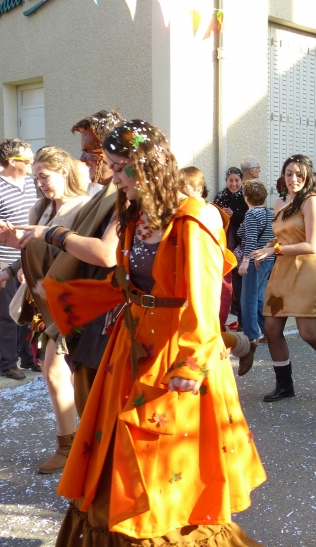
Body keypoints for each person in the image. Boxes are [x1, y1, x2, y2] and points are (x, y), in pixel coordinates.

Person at [42, 120, 265, 545]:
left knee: (161, 456)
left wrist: (192, 361)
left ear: (149, 166)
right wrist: (64, 301)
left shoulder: (194, 217)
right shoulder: (136, 214)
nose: (113, 177)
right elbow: (126, 283)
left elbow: (202, 295)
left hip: (176, 350)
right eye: (110, 166)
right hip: (130, 345)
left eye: (120, 167)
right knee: (114, 452)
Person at [0, 146, 90, 474]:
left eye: (44, 176)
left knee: (63, 373)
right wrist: (10, 268)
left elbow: (84, 256)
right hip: (43, 304)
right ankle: (73, 444)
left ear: (63, 172)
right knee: (58, 372)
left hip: (72, 303)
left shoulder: (83, 207)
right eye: (36, 177)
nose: (39, 182)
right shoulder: (41, 208)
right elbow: (33, 248)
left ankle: (79, 445)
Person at [249, 154, 316, 402]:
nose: (293, 178)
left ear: (307, 176)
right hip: (283, 270)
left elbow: (311, 245)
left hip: (306, 270)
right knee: (272, 329)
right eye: (288, 173)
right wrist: (268, 245)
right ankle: (284, 385)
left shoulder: (313, 201)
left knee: (308, 333)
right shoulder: (279, 203)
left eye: (298, 174)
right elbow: (283, 236)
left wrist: (272, 250)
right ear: (283, 176)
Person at [178, 167, 258, 376]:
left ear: (197, 189)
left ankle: (239, 346)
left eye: (182, 190)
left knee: (208, 326)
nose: (176, 195)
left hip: (213, 273)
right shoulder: (183, 210)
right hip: (187, 277)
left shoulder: (210, 211)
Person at [0, 138, 36, 380]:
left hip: (29, 259)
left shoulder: (32, 183)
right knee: (7, 314)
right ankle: (8, 364)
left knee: (32, 311)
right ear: (13, 162)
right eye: (28, 159)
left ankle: (30, 357)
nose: (32, 163)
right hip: (4, 261)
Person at [237, 180, 274, 373]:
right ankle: (268, 331)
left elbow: (250, 239)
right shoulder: (270, 213)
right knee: (259, 298)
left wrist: (245, 262)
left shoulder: (251, 213)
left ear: (246, 197)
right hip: (269, 259)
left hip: (254, 260)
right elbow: (246, 232)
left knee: (248, 300)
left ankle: (252, 338)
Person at [214, 167, 248, 331]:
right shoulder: (220, 196)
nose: (234, 184)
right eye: (230, 180)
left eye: (237, 181)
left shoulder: (245, 196)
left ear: (241, 181)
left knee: (236, 278)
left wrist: (233, 214)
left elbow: (248, 216)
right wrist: (222, 214)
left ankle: (239, 312)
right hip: (223, 238)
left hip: (239, 241)